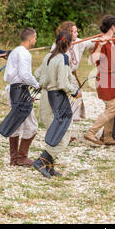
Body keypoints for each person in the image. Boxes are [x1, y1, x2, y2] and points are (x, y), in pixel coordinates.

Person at [32, 31, 79, 178]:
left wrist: (45, 83)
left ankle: (49, 166)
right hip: (57, 98)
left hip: (46, 96)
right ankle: (42, 160)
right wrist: (74, 91)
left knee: (53, 130)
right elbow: (63, 84)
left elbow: (37, 74)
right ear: (69, 45)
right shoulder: (63, 58)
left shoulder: (48, 56)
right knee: (64, 132)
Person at [84, 15, 115, 146]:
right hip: (105, 78)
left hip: (113, 78)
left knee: (111, 108)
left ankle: (108, 136)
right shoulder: (102, 41)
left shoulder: (113, 40)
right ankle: (91, 132)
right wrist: (100, 45)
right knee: (112, 108)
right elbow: (93, 60)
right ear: (112, 26)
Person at [3, 28, 40, 166]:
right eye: (35, 38)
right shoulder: (24, 53)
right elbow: (24, 75)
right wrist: (36, 84)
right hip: (20, 90)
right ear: (30, 39)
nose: (35, 40)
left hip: (13, 89)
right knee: (32, 125)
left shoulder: (15, 51)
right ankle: (21, 157)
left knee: (16, 123)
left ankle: (14, 159)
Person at [48, 21, 96, 122]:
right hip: (63, 78)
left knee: (76, 99)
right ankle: (66, 124)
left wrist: (103, 38)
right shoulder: (57, 45)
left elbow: (91, 42)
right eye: (74, 32)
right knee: (68, 100)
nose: (77, 34)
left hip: (72, 77)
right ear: (68, 33)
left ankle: (72, 123)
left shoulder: (79, 42)